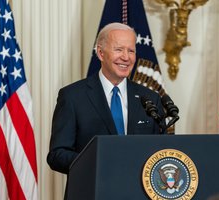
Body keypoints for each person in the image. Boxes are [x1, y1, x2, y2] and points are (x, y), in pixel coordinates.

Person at [47, 22, 165, 176]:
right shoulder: (72, 96)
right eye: (118, 49)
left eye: (131, 51)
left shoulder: (150, 99)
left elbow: (163, 149)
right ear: (101, 53)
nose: (126, 57)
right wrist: (98, 163)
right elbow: (57, 155)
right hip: (92, 190)